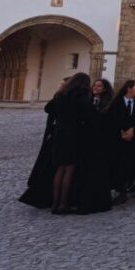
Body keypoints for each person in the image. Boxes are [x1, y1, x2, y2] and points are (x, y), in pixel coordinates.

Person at [44, 72, 92, 214]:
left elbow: (48, 108)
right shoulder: (80, 96)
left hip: (60, 134)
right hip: (74, 134)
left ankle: (55, 203)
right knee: (69, 169)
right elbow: (87, 113)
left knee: (60, 169)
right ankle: (63, 203)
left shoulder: (61, 95)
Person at [76, 79, 115, 214]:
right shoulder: (87, 100)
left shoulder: (108, 103)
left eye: (99, 86)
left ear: (105, 89)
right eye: (95, 85)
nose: (96, 87)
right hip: (86, 141)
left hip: (101, 141)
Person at [107, 80, 135, 205]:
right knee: (118, 165)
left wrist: (133, 129)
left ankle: (124, 189)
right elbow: (112, 118)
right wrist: (121, 131)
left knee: (128, 165)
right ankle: (118, 189)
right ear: (129, 88)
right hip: (118, 139)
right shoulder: (117, 102)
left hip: (132, 140)